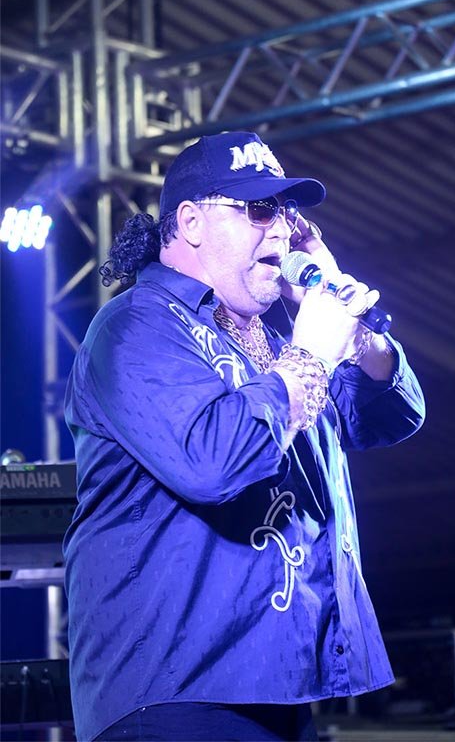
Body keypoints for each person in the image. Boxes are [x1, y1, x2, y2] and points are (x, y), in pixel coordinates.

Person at [63, 130, 425, 742]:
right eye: (258, 209)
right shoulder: (135, 326)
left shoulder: (279, 348)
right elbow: (215, 460)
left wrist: (353, 329)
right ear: (192, 222)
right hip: (176, 693)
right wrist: (311, 355)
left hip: (280, 683)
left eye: (286, 211)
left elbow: (390, 416)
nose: (281, 228)